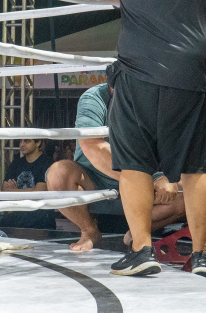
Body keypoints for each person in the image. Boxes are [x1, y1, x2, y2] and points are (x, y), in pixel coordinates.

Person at [100, 0, 206, 279]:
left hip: (138, 73)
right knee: (195, 167)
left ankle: (141, 251)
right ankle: (203, 256)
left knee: (135, 164)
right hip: (190, 75)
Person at [44, 82, 185, 251]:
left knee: (186, 191)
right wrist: (139, 178)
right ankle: (89, 231)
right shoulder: (94, 98)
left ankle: (137, 233)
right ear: (113, 84)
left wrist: (167, 176)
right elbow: (92, 146)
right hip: (94, 178)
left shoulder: (150, 98)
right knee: (58, 174)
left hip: (141, 180)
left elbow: (171, 142)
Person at [0, 139, 55, 229]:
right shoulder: (16, 163)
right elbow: (5, 191)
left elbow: (39, 193)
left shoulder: (47, 163)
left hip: (40, 222)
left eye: (27, 141)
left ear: (38, 143)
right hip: (16, 220)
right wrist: (32, 190)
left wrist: (15, 191)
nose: (22, 144)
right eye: (20, 141)